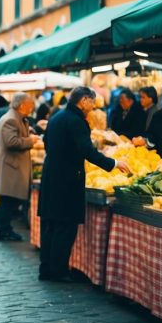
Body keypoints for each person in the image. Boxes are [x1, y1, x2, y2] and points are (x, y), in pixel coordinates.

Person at [39, 86, 129, 282]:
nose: (93, 107)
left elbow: (46, 143)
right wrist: (113, 163)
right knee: (66, 226)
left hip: (51, 175)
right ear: (84, 100)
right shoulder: (77, 121)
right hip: (68, 179)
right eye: (92, 103)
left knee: (51, 224)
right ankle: (59, 271)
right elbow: (87, 151)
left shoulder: (56, 117)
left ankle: (46, 268)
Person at [0, 93, 40, 241]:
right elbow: (12, 142)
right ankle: (3, 230)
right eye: (30, 104)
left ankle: (5, 229)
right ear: (22, 105)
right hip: (11, 166)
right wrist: (30, 140)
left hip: (13, 166)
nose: (32, 107)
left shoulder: (17, 118)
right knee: (7, 200)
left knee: (9, 200)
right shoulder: (11, 120)